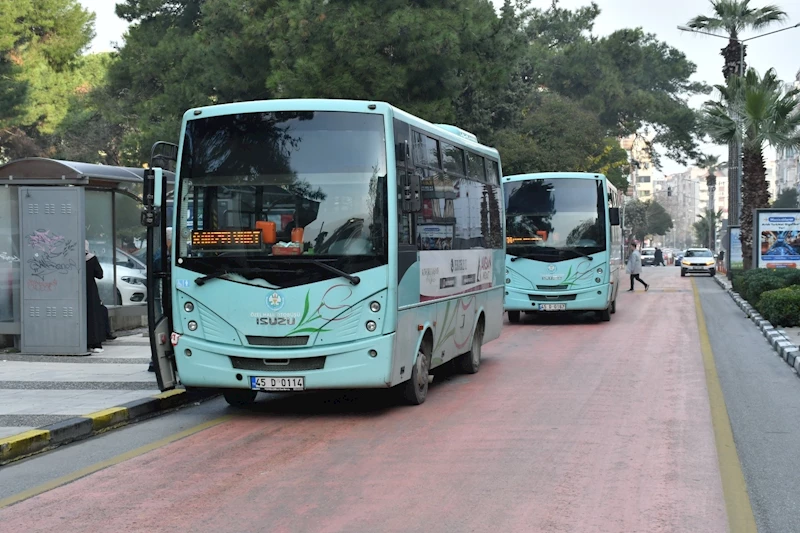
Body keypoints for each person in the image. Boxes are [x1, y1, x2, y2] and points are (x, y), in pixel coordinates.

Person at [85, 241, 105, 353]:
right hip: (91, 291)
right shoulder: (92, 258)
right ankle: (95, 342)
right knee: (93, 316)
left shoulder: (72, 259)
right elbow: (100, 274)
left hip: (76, 291)